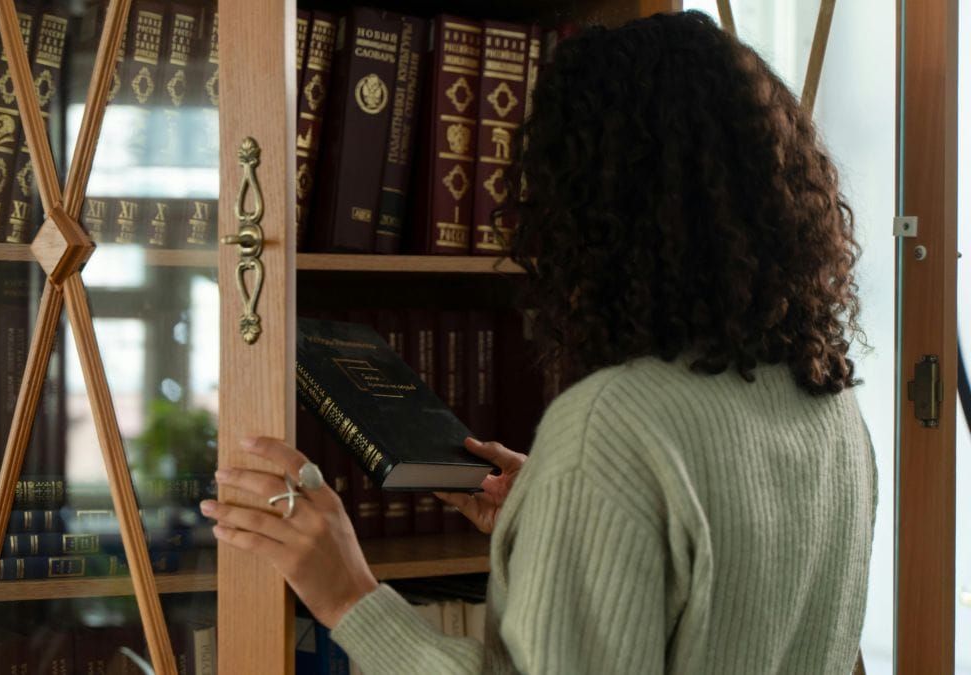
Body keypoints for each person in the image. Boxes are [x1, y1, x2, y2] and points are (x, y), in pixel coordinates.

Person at [199, 10, 874, 673]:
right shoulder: (834, 414)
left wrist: (349, 595)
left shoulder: (614, 426)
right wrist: (552, 506)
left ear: (587, 209)